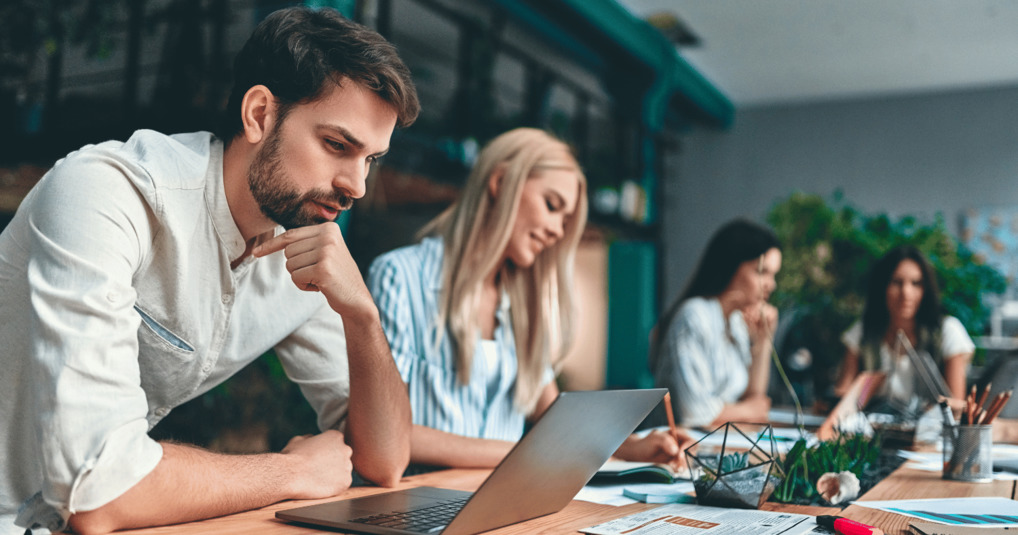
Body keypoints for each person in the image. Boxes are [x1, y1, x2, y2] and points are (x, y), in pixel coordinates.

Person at [0, 7, 419, 534]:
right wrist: (293, 472)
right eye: (338, 146)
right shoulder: (108, 194)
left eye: (371, 160)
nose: (357, 185)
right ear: (260, 114)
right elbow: (99, 490)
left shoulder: (300, 248)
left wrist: (363, 318)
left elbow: (385, 463)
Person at [367, 128, 690, 470]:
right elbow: (387, 433)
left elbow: (555, 420)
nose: (557, 231)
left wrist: (632, 447)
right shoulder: (398, 277)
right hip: (421, 504)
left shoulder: (520, 305)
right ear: (501, 182)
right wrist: (526, 452)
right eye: (552, 206)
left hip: (504, 504)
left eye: (566, 221)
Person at [649, 219, 782, 429]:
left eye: (774, 275)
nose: (771, 285)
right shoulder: (694, 316)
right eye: (761, 272)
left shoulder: (736, 321)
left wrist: (764, 340)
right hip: (681, 449)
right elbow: (694, 413)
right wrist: (747, 410)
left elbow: (755, 398)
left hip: (719, 443)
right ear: (731, 266)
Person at [834, 245, 974, 406]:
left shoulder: (947, 331)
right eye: (896, 282)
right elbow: (843, 394)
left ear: (926, 289)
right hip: (872, 428)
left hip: (930, 429)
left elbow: (956, 404)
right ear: (882, 286)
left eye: (916, 283)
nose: (906, 293)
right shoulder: (864, 331)